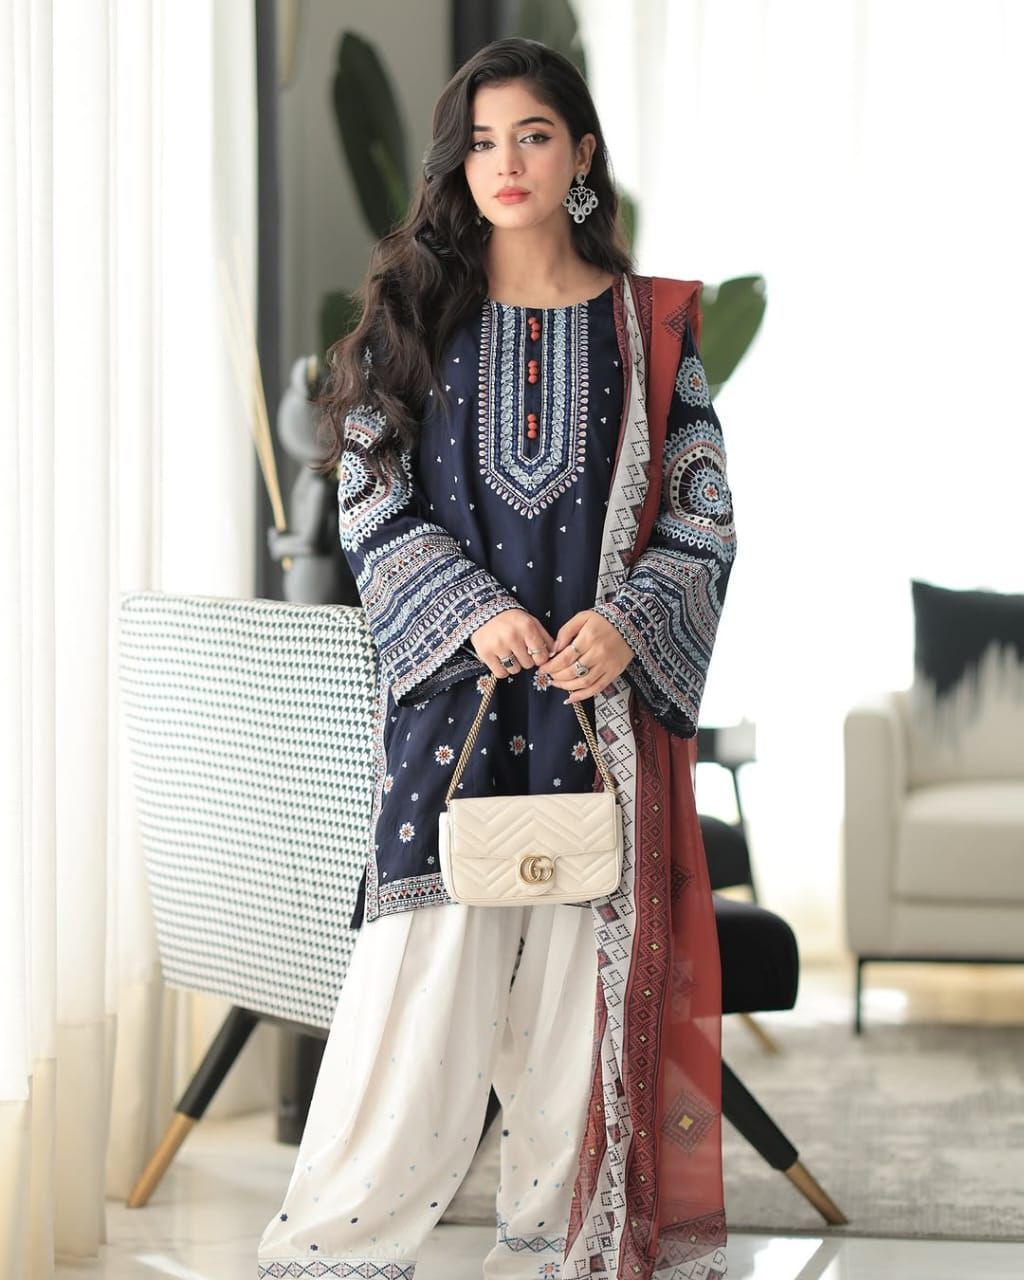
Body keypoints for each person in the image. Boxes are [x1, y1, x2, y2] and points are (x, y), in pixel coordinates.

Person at [257, 35, 735, 1280]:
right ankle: (336, 1249)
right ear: (456, 164)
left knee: (580, 996)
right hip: (453, 707)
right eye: (480, 141)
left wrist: (628, 621)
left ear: (580, 155)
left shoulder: (653, 330)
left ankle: (558, 1242)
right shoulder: (415, 315)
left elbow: (703, 512)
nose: (505, 162)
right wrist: (470, 608)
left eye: (531, 135)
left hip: (598, 709)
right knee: (416, 986)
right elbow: (369, 495)